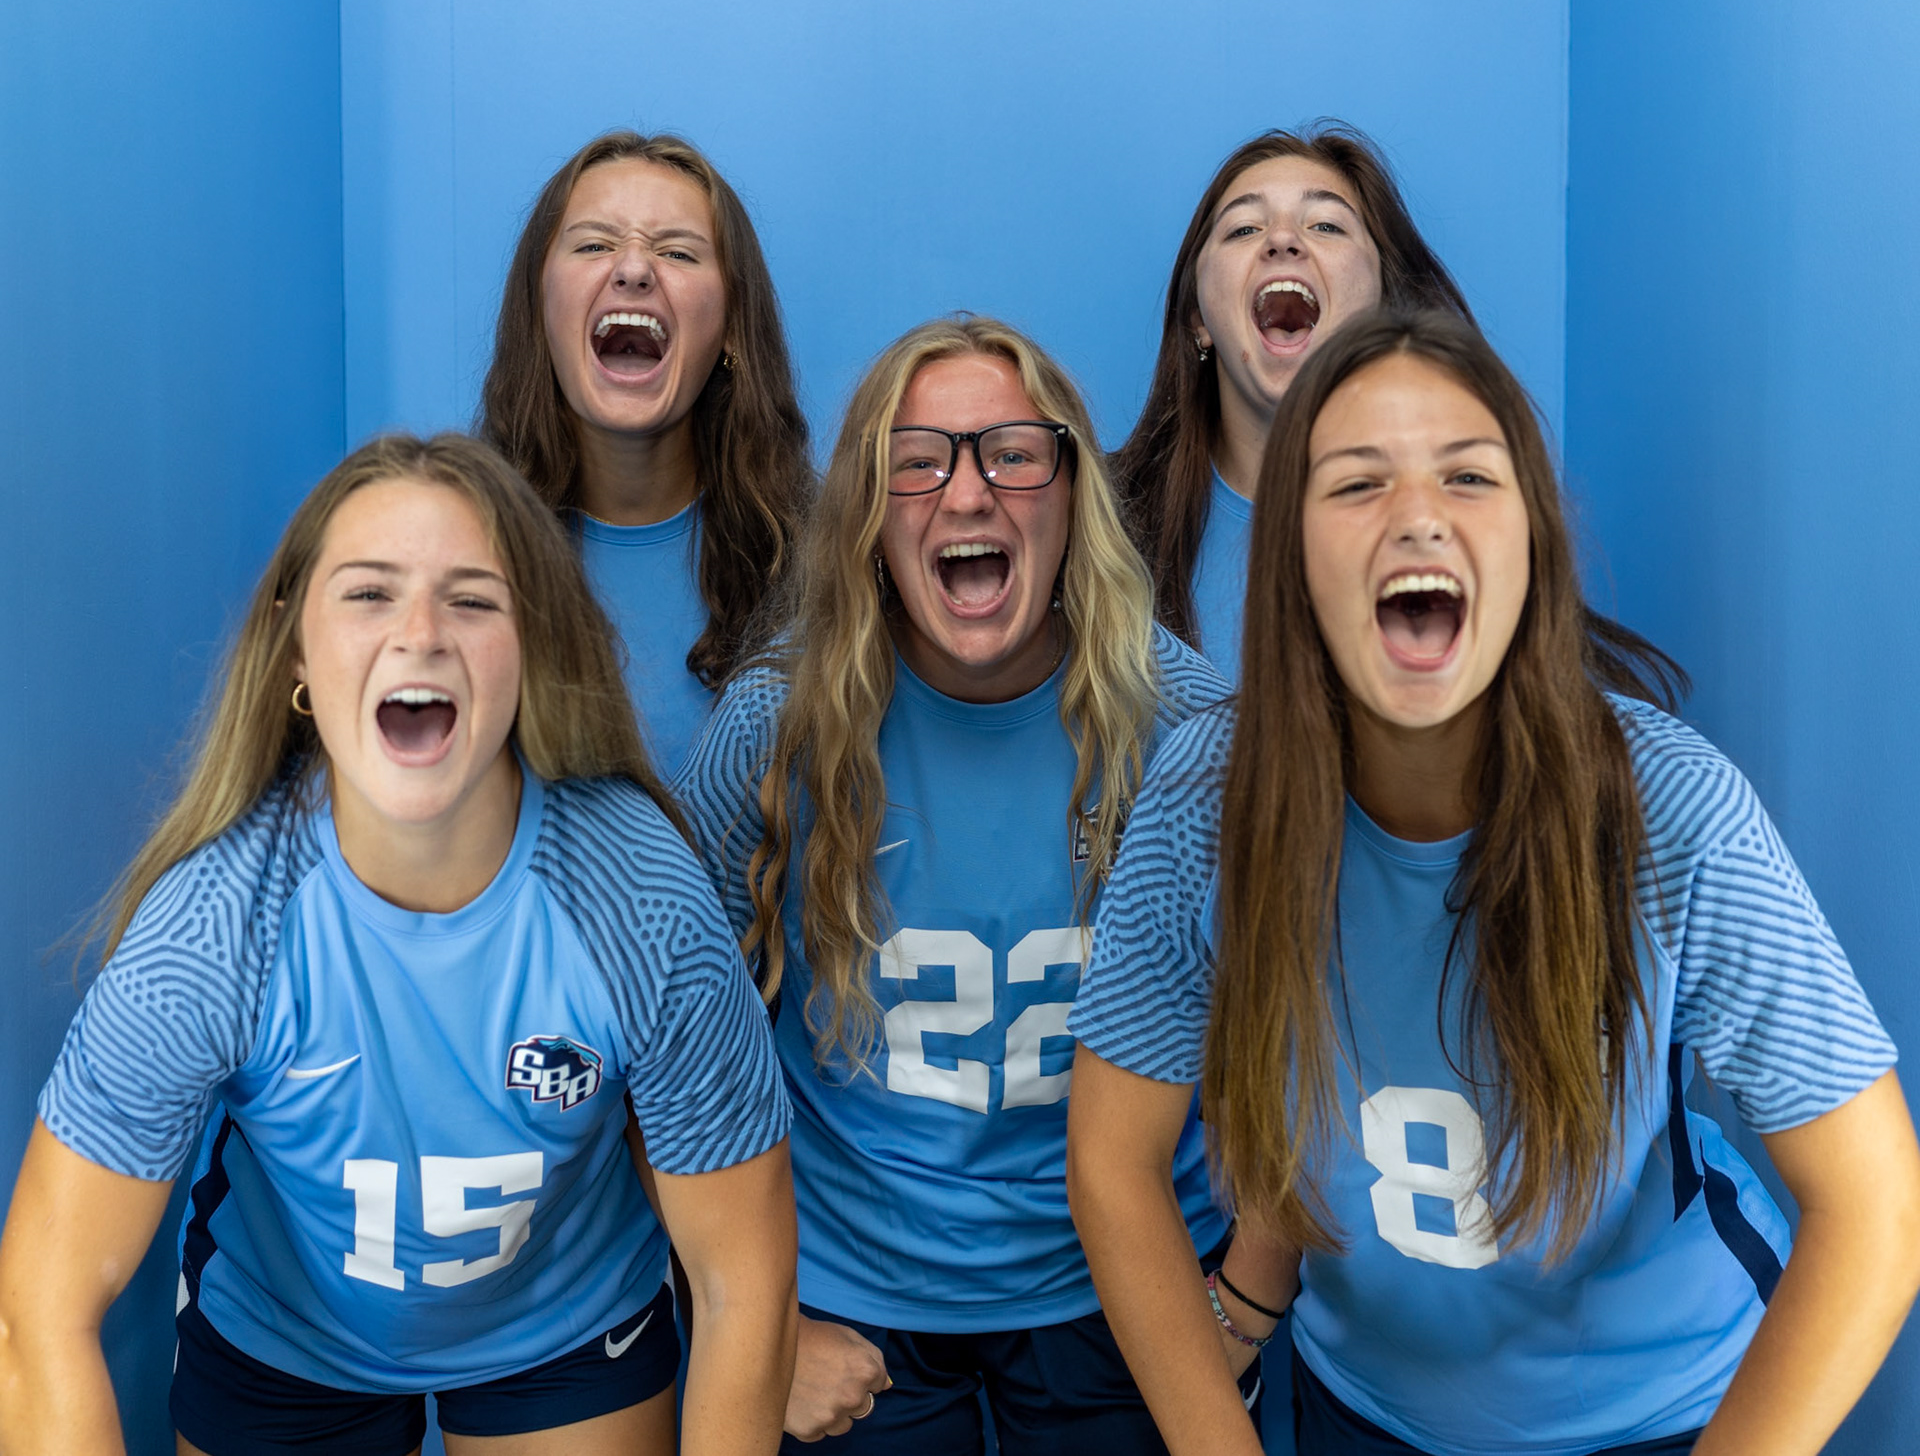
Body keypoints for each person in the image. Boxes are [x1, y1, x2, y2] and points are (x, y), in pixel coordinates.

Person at [1067, 308, 1920, 1456]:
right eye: (1357, 484)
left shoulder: (1672, 812)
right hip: (1358, 1409)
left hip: (1666, 1415)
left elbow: (1876, 1208)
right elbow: (1115, 1163)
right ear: (1291, 561)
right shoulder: (1198, 807)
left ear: (1533, 545)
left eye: (1470, 476)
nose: (1419, 514)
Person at [0, 434, 797, 1455]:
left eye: (471, 598)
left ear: (531, 646)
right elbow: (42, 1311)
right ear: (295, 647)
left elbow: (744, 1277)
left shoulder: (637, 895)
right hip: (287, 1338)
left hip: (563, 1323)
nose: (420, 632)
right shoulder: (214, 926)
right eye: (369, 593)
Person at [676, 317, 1248, 1453]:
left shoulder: (1187, 732)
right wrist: (762, 1324)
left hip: (1123, 1290)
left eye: (1012, 452)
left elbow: (1295, 1031)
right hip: (857, 1303)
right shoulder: (772, 733)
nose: (969, 492)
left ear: (1074, 493)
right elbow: (658, 1033)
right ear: (868, 521)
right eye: (917, 460)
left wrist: (1249, 1297)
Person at [480, 130, 812, 778]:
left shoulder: (825, 560)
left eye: (678, 253)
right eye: (595, 244)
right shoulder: (462, 550)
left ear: (732, 331)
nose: (633, 269)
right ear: (540, 310)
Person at [1111, 124, 1471, 682]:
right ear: (1199, 321)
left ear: (1387, 312)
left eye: (1326, 224)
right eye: (1243, 229)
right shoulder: (1099, 529)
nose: (1282, 240)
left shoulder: (1464, 527)